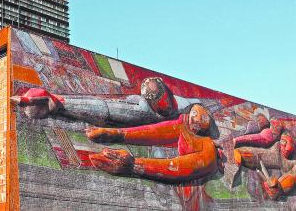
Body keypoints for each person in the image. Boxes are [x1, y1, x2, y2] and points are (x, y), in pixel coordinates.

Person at [12, 77, 218, 182]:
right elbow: (157, 130)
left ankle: (57, 103)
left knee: (133, 113)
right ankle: (56, 103)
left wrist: (134, 165)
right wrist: (114, 135)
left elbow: (190, 164)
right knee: (129, 112)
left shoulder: (200, 134)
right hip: (138, 113)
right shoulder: (174, 118)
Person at [233, 133, 296, 199]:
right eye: (284, 142)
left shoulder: (293, 163)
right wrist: (239, 153)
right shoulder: (273, 152)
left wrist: (279, 186)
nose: (288, 148)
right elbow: (258, 154)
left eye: (290, 144)